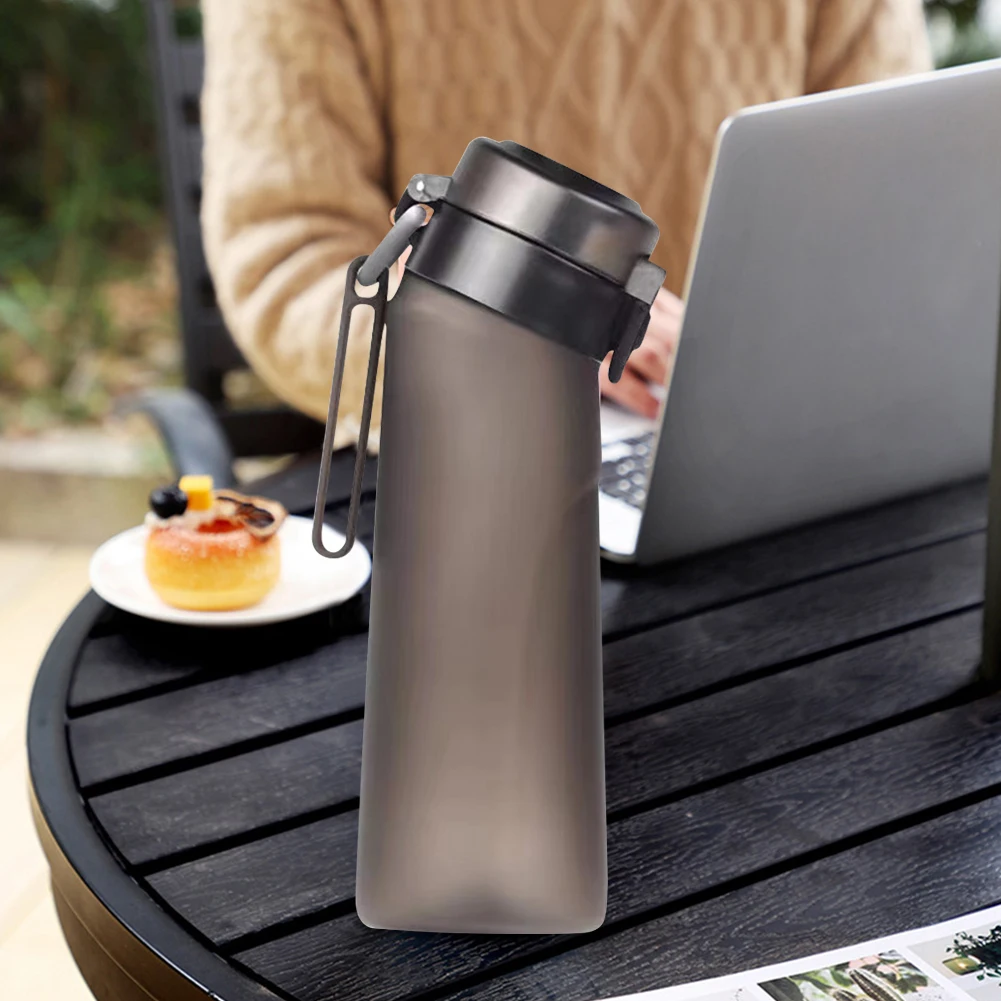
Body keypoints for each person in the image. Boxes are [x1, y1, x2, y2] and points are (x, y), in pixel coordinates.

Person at [201, 0, 931, 446]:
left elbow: (896, 212)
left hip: (769, 443)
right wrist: (525, 352)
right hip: (458, 459)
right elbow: (288, 266)